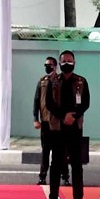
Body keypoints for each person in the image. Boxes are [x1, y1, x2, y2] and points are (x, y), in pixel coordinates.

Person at [45, 50, 90, 199]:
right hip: (58, 128)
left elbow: (86, 103)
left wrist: (74, 116)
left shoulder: (81, 82)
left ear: (74, 63)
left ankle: (78, 198)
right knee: (56, 163)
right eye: (64, 61)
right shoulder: (53, 82)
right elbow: (49, 103)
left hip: (75, 128)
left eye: (69, 61)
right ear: (59, 62)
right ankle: (53, 198)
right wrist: (63, 116)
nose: (66, 64)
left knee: (77, 164)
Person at [33, 56, 68, 186]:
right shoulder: (42, 82)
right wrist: (35, 119)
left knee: (61, 151)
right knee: (45, 151)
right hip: (46, 122)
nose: (48, 67)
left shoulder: (60, 81)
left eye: (50, 65)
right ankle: (42, 177)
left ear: (55, 66)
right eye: (46, 65)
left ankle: (65, 176)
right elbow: (36, 101)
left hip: (58, 123)